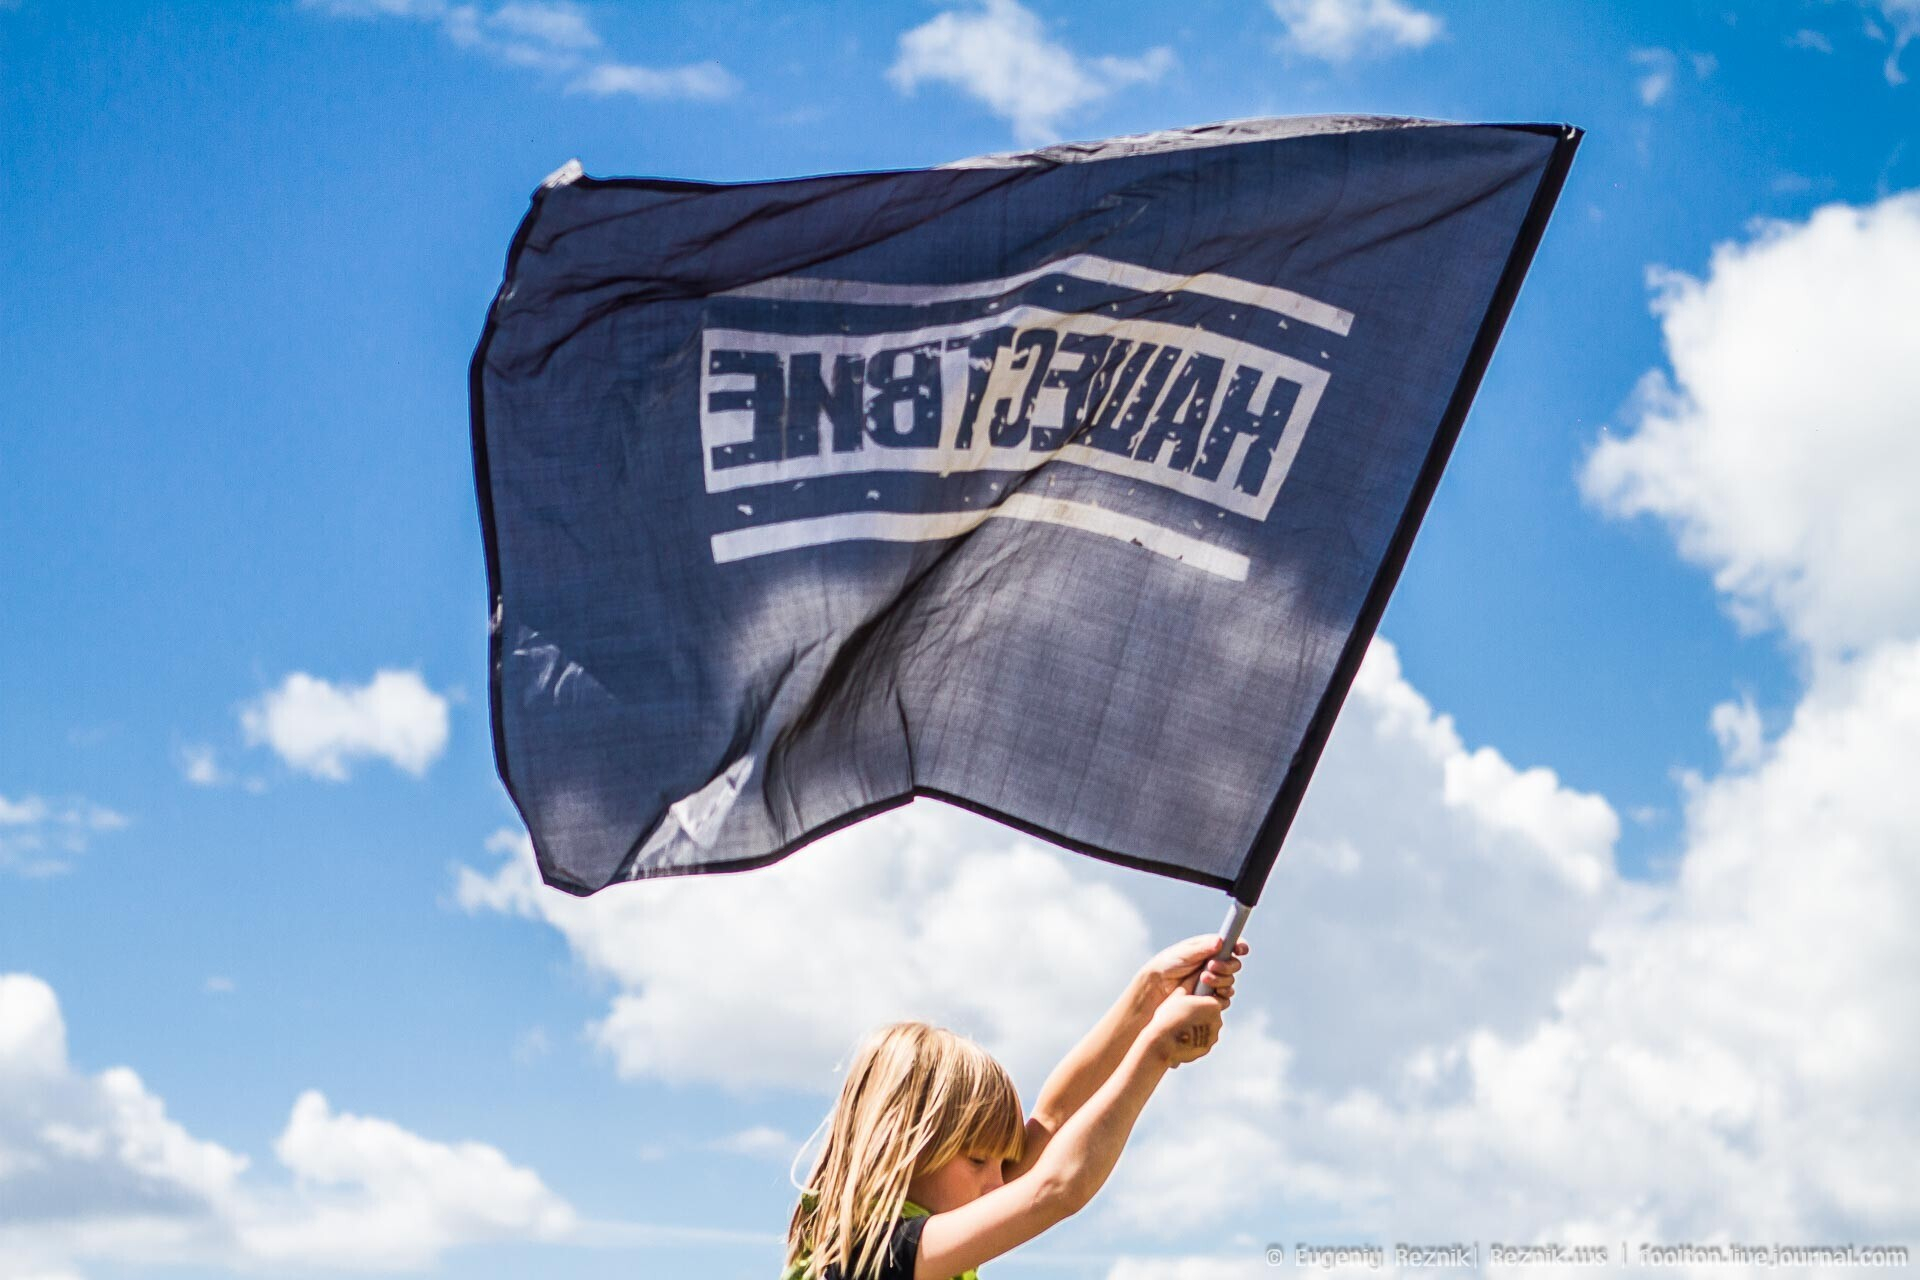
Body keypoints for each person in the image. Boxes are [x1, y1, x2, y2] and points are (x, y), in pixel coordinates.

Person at [781, 933, 1248, 1280]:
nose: (998, 1183)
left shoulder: (926, 1228)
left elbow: (1054, 1119)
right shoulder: (867, 1257)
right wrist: (1156, 1051)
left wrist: (1149, 995)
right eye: (978, 1160)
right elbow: (1056, 1186)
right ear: (904, 1148)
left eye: (1001, 1162)